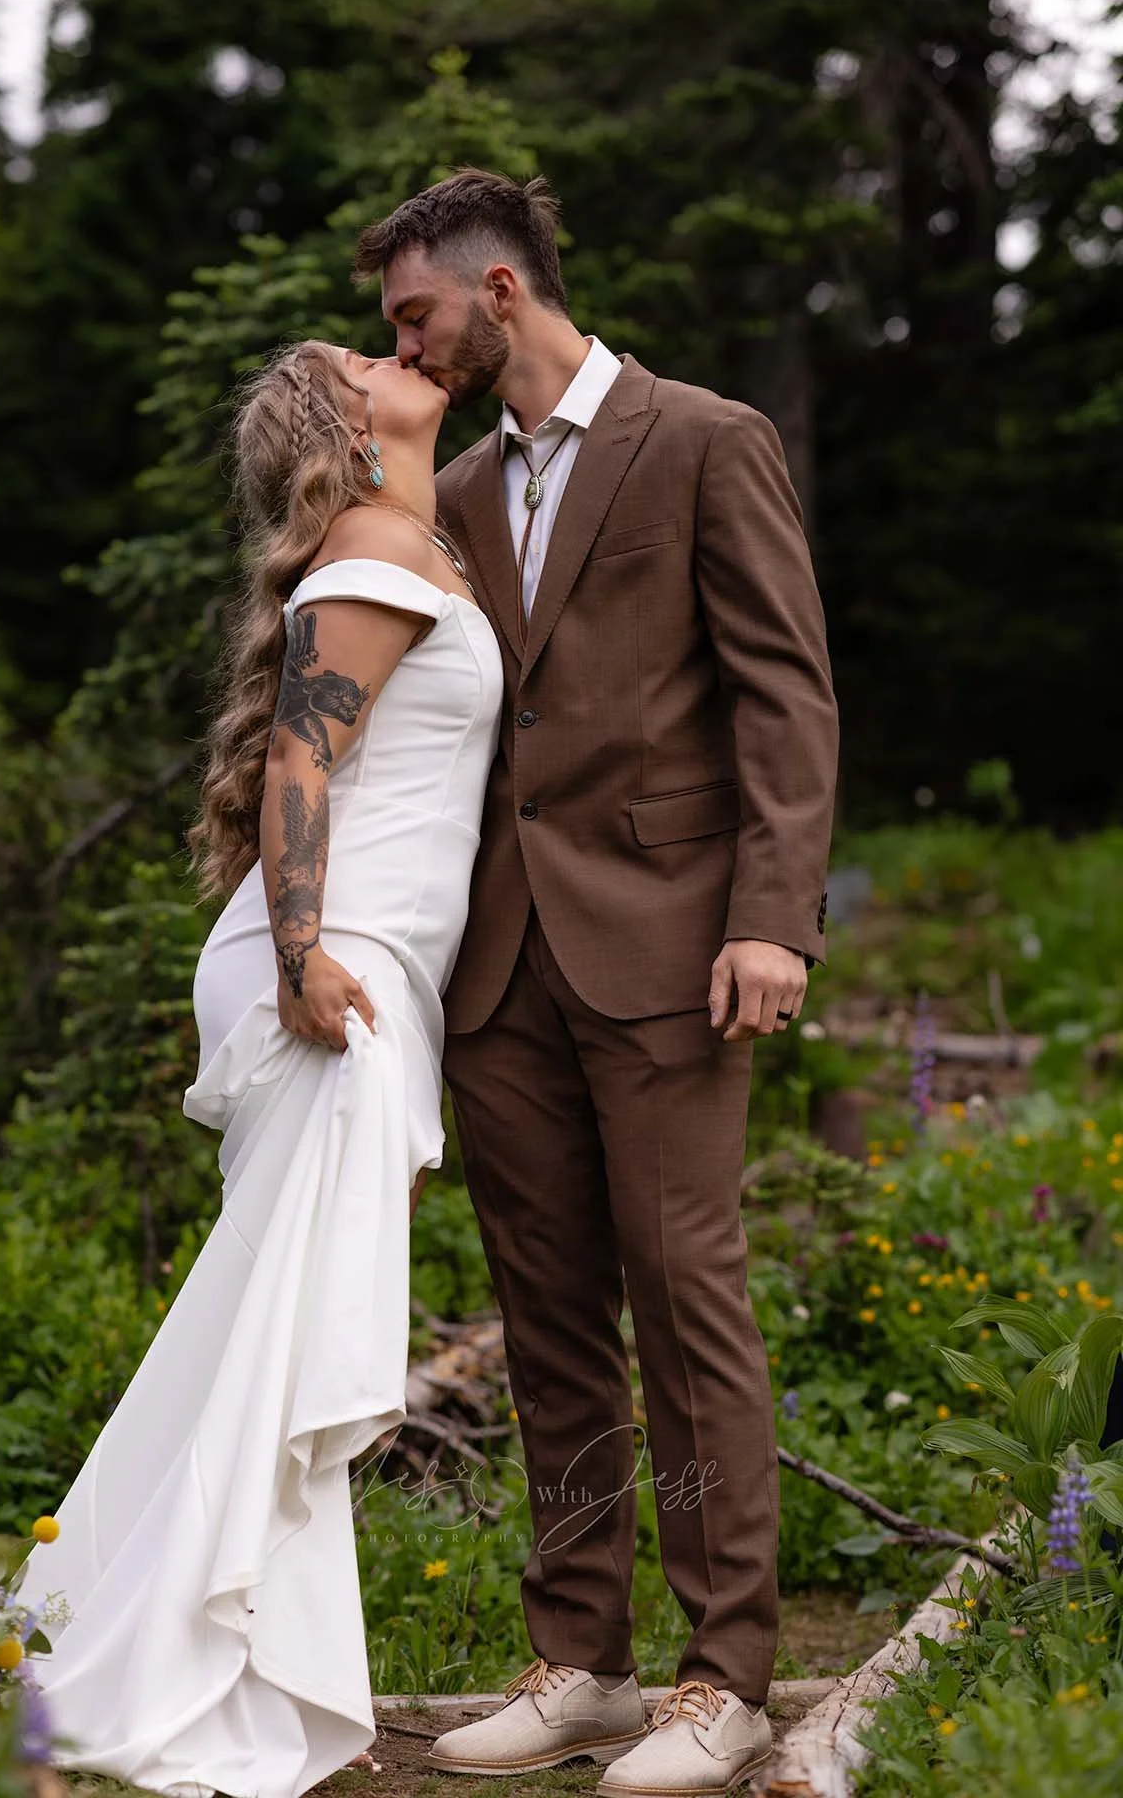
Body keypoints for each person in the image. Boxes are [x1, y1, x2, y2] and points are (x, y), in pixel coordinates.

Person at [354, 168, 839, 1796]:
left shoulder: (705, 440)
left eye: (414, 316)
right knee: (551, 1320)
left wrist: (774, 916)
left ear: (498, 293)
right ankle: (584, 1661)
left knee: (687, 1307)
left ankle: (728, 1674)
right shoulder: (466, 489)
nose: (403, 352)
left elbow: (785, 693)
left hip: (678, 948)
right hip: (503, 966)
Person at [14, 340, 503, 1797]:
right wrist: (297, 963)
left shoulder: (422, 539)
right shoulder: (373, 543)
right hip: (327, 969)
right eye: (365, 357)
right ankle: (188, 1662)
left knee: (258, 1326)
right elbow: (300, 765)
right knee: (279, 1332)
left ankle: (121, 1627)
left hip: (356, 964)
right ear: (343, 430)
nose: (397, 350)